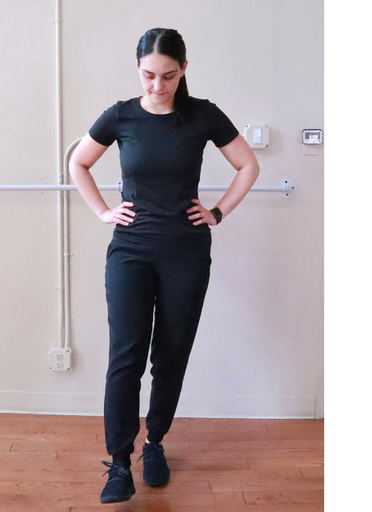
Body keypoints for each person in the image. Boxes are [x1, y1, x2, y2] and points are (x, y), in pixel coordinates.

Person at [69, 27, 259, 504]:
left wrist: (217, 212)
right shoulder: (120, 115)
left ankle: (154, 443)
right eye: (149, 75)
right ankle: (119, 462)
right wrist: (102, 211)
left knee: (171, 354)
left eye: (168, 76)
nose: (158, 85)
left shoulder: (203, 115)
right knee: (126, 357)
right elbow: (78, 163)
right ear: (138, 70)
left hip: (186, 253)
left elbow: (248, 166)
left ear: (184, 69)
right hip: (130, 252)